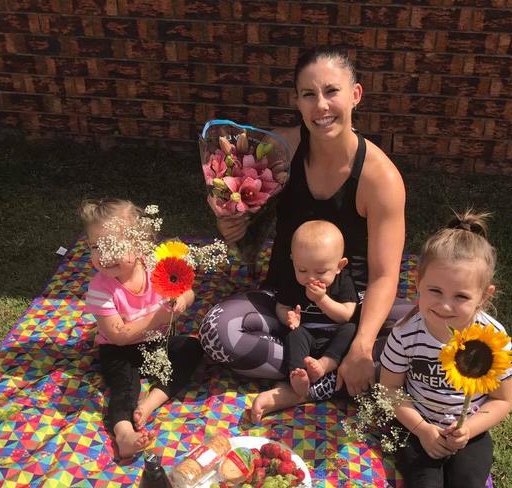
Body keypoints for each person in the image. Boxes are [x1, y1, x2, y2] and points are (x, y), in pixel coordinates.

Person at [198, 46, 408, 419]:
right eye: (309, 95)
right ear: (296, 100)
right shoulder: (280, 150)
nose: (321, 106)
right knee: (216, 332)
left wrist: (360, 343)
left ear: (356, 95)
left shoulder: (380, 179)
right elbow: (248, 239)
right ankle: (340, 373)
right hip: (286, 302)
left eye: (332, 91)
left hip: (348, 310)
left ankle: (331, 371)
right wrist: (230, 221)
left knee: (434, 340)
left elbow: (385, 275)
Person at [379, 210, 512, 488]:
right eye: (435, 291)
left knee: (468, 481)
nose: (445, 306)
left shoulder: (493, 339)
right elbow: (389, 390)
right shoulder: (405, 334)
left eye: (461, 296)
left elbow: (502, 400)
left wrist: (467, 429)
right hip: (415, 426)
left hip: (470, 431)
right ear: (418, 283)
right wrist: (422, 430)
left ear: (484, 295)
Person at [81, 199, 203, 459]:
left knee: (193, 348)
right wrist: (158, 317)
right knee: (124, 386)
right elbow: (117, 335)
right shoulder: (100, 288)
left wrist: (182, 300)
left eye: (112, 246)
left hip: (156, 344)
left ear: (140, 245)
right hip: (118, 350)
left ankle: (150, 403)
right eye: (95, 247)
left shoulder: (156, 266)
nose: (104, 255)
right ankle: (124, 433)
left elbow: (188, 291)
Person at [278, 220, 358, 398]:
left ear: (340, 266)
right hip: (307, 332)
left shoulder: (343, 281)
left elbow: (346, 315)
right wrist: (288, 317)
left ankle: (324, 365)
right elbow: (281, 306)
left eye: (321, 272)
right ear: (293, 261)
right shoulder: (291, 281)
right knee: (294, 334)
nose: (311, 278)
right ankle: (298, 375)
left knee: (351, 329)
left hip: (334, 334)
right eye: (302, 270)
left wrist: (321, 299)